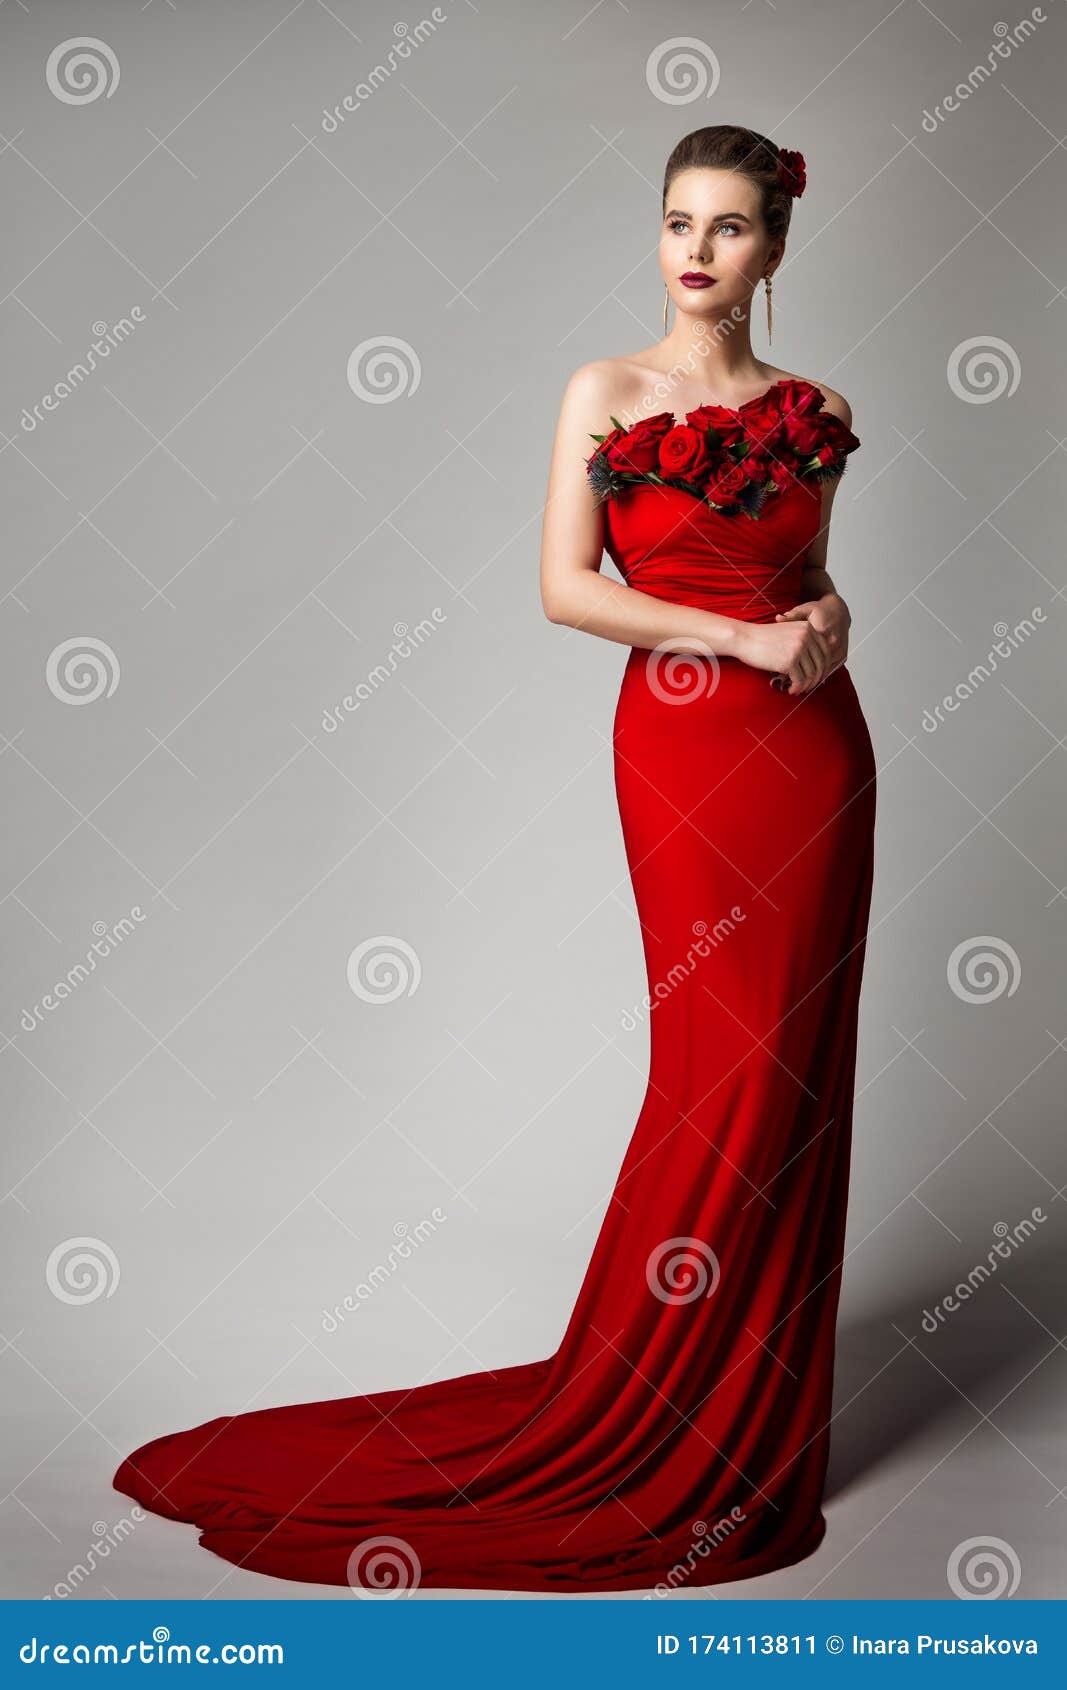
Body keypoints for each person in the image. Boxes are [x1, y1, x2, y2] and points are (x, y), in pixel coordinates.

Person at [113, 124, 876, 1595]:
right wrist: (737, 638)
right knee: (715, 1074)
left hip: (820, 759)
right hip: (684, 746)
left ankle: (753, 1427)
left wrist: (828, 622)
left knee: (795, 1078)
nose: (697, 250)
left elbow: (804, 573)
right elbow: (564, 587)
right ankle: (645, 1422)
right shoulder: (607, 390)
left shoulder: (821, 408)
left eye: (728, 227)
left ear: (776, 248)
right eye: (677, 221)